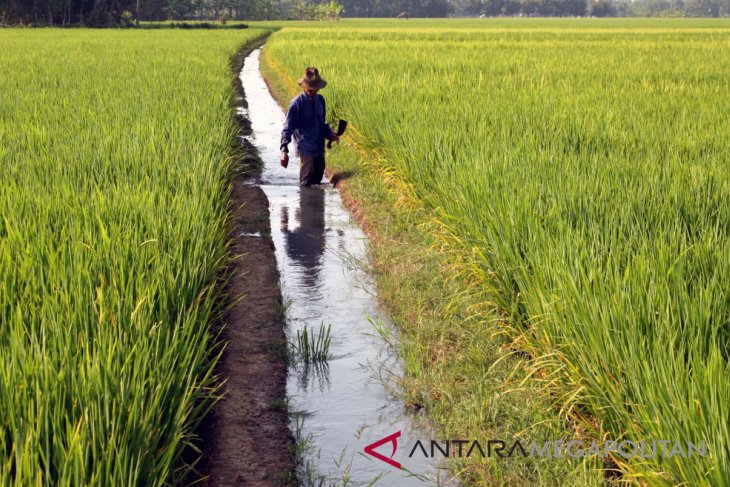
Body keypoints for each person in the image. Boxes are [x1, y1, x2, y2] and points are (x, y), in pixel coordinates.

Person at [280, 67, 339, 186]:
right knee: (306, 183)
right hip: (305, 148)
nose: (312, 91)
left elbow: (322, 122)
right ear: (304, 86)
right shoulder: (297, 104)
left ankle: (317, 204)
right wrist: (284, 150)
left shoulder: (320, 100)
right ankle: (305, 204)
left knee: (317, 180)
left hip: (319, 147)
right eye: (310, 89)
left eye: (315, 89)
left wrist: (330, 134)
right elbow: (287, 128)